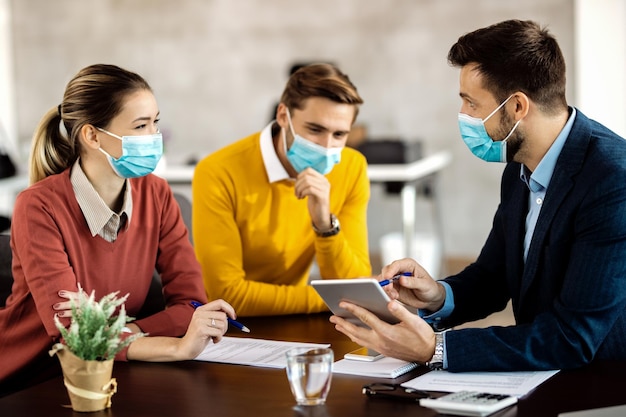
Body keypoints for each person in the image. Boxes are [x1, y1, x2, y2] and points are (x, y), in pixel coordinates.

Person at [329, 19, 626, 372]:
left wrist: (435, 348)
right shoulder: (518, 167)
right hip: (542, 373)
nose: (463, 115)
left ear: (517, 107)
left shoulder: (612, 180)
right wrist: (438, 295)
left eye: (472, 103)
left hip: (601, 384)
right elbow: (493, 276)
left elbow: (573, 337)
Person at [0, 64, 238, 396]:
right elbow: (74, 336)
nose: (153, 137)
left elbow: (193, 305)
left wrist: (123, 330)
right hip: (31, 381)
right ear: (92, 135)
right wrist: (175, 347)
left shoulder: (156, 194)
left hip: (111, 374)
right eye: (140, 126)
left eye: (155, 122)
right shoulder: (38, 206)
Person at [193, 63, 371, 316]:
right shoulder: (218, 172)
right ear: (283, 116)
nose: (326, 146)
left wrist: (324, 225)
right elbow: (228, 296)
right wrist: (335, 300)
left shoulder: (352, 167)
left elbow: (352, 281)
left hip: (298, 323)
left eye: (339, 134)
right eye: (315, 129)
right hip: (225, 327)